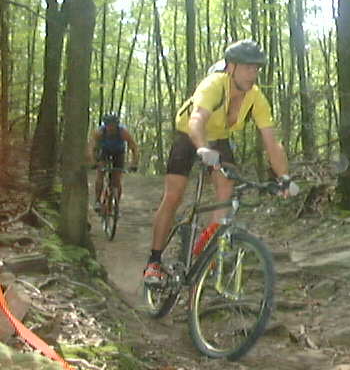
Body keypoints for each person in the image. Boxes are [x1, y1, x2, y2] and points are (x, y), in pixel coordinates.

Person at [143, 39, 294, 285]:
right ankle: (154, 262)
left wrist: (284, 177)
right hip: (189, 134)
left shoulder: (256, 97)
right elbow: (196, 120)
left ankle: (207, 251)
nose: (253, 74)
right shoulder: (213, 84)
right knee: (174, 195)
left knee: (227, 189)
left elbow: (271, 141)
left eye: (256, 68)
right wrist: (202, 148)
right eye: (247, 67)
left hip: (219, 138)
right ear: (231, 67)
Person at [87, 113, 140, 212]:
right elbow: (91, 147)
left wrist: (134, 163)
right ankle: (97, 201)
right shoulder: (99, 132)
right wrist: (93, 161)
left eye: (113, 125)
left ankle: (116, 205)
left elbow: (134, 147)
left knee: (116, 180)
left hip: (119, 153)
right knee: (100, 174)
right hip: (105, 152)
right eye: (109, 125)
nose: (111, 128)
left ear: (117, 125)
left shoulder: (123, 132)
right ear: (105, 125)